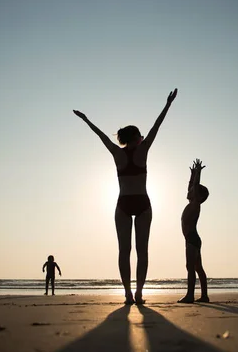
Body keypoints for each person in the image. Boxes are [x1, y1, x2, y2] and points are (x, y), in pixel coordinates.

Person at [73, 88, 178, 304]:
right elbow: (156, 126)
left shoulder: (118, 153)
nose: (142, 138)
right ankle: (135, 294)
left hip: (127, 205)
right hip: (138, 204)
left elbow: (100, 134)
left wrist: (86, 120)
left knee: (127, 251)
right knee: (138, 251)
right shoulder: (142, 149)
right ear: (137, 138)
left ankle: (132, 294)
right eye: (140, 136)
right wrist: (168, 104)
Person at [178, 158, 210, 303]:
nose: (189, 191)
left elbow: (195, 186)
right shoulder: (191, 202)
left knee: (191, 267)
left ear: (198, 196)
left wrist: (198, 173)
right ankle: (204, 296)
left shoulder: (195, 204)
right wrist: (192, 174)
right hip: (191, 239)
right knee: (197, 267)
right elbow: (192, 186)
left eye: (192, 191)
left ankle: (190, 295)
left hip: (192, 238)